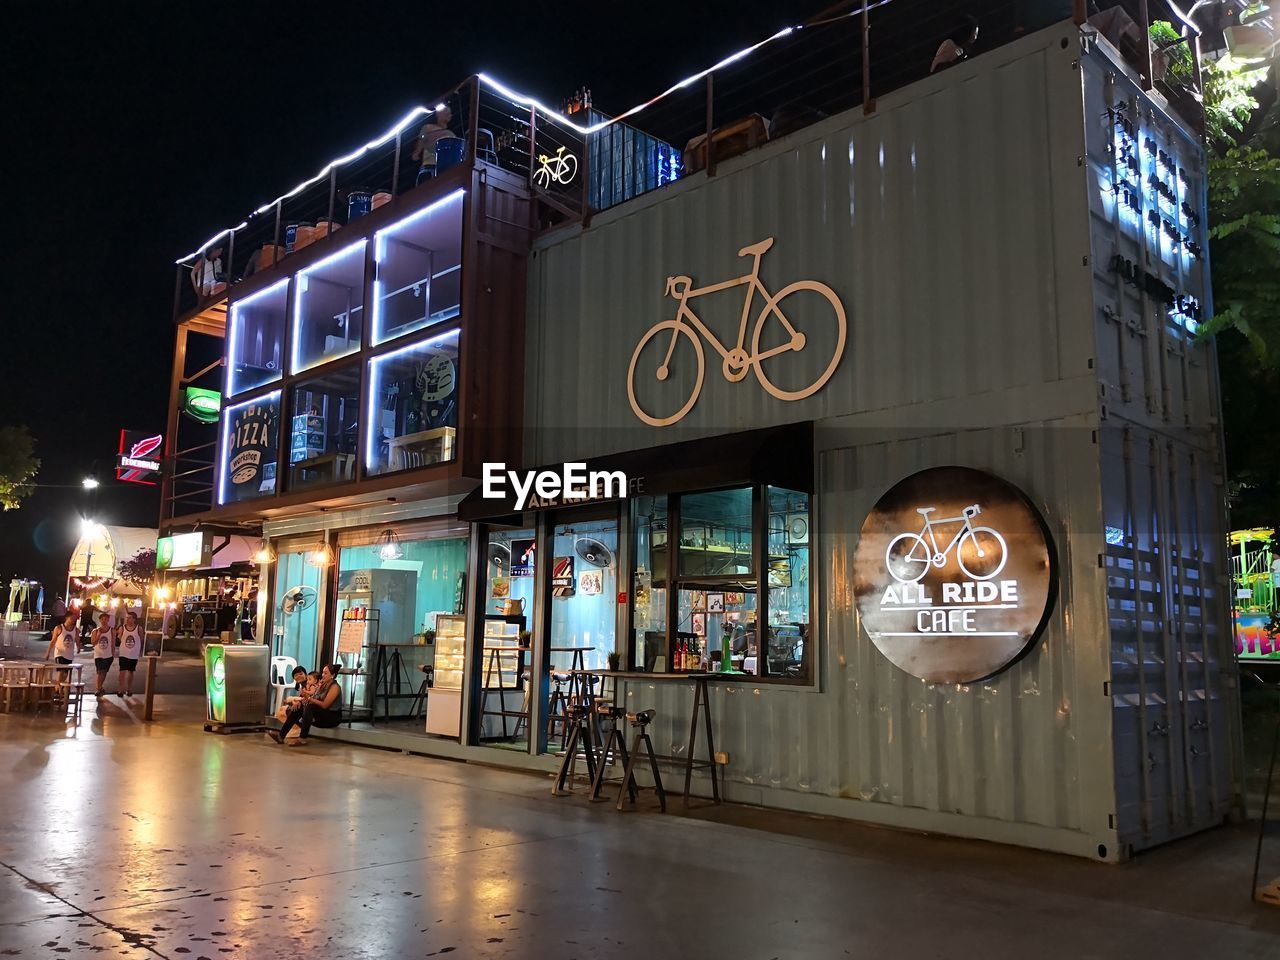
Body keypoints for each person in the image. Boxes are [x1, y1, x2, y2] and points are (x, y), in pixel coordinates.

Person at [270, 662, 343, 744]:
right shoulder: (322, 685)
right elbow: (314, 698)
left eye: (325, 673)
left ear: (332, 675)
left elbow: (325, 705)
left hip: (332, 717)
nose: (322, 675)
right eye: (323, 672)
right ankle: (281, 736)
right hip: (321, 713)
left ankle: (302, 738)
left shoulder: (335, 687)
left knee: (311, 706)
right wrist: (300, 702)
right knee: (299, 707)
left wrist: (308, 698)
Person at [411, 105, 454, 185]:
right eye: (446, 112)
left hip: (444, 168)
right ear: (438, 114)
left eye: (449, 113)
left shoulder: (451, 134)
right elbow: (421, 141)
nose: (448, 115)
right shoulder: (428, 128)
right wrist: (417, 152)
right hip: (429, 165)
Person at [116, 609, 144, 698]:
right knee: (122, 671)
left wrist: (138, 649)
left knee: (131, 671)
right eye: (127, 618)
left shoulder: (139, 628)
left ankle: (129, 689)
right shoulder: (122, 628)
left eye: (130, 618)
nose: (127, 619)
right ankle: (121, 689)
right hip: (124, 653)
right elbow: (120, 638)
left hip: (134, 653)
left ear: (134, 619)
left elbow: (141, 638)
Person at [90, 611, 116, 699]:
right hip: (99, 655)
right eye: (102, 619)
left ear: (108, 620)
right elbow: (93, 643)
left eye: (106, 619)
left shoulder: (112, 630)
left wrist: (113, 653)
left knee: (104, 672)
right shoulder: (95, 631)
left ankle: (100, 687)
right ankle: (97, 689)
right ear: (100, 620)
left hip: (108, 655)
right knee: (99, 671)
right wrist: (98, 635)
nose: (104, 621)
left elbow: (113, 642)